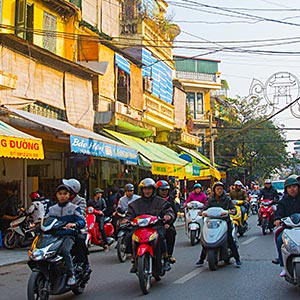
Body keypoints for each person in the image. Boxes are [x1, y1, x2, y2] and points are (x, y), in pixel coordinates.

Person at [126, 178, 175, 273]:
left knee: (160, 237)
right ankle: (133, 259)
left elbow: (169, 211)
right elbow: (129, 215)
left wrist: (168, 216)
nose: (147, 191)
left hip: (155, 227)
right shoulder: (135, 204)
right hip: (139, 228)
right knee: (129, 237)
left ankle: (166, 258)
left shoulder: (161, 202)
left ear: (153, 190)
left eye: (149, 189)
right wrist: (126, 220)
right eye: (145, 189)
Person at [47, 184, 85, 286]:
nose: (62, 196)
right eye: (60, 194)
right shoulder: (51, 209)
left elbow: (82, 221)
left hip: (69, 236)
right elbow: (45, 221)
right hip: (54, 236)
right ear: (56, 195)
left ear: (69, 195)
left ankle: (71, 274)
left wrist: (75, 224)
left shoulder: (74, 208)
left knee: (65, 251)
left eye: (65, 194)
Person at [196, 182, 242, 267]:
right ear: (214, 190)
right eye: (217, 189)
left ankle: (237, 259)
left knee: (229, 239)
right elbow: (206, 208)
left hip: (225, 221)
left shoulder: (227, 199)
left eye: (221, 189)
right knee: (206, 239)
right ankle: (201, 259)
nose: (219, 191)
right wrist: (202, 212)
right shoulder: (210, 199)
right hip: (212, 222)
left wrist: (232, 211)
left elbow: (232, 207)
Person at [62, 178, 91, 274]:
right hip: (62, 229)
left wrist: (74, 223)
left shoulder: (80, 201)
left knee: (79, 240)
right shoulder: (61, 200)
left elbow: (81, 213)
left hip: (78, 228)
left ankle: (84, 264)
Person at [273, 177, 300, 277]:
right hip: (289, 227)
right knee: (280, 238)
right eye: (289, 188)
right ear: (286, 190)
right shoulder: (283, 201)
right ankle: (283, 265)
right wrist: (277, 219)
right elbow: (279, 212)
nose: (292, 189)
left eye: (294, 187)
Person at [156, 180, 177, 264]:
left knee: (171, 232)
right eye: (162, 190)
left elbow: (174, 213)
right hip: (153, 223)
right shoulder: (153, 199)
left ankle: (169, 254)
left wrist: (168, 223)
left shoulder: (170, 200)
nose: (164, 192)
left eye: (165, 190)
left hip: (166, 223)